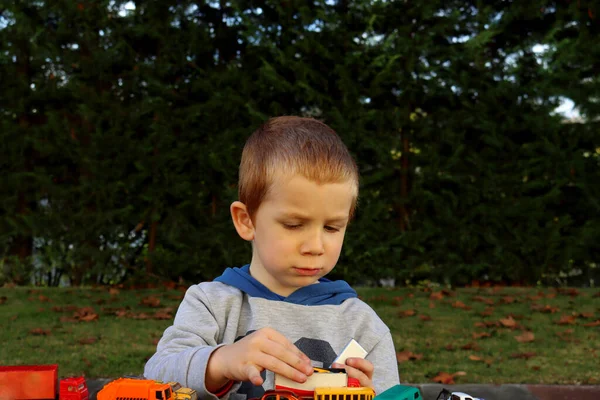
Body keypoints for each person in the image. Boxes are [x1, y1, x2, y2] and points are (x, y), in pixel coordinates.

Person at [144, 116, 400, 399]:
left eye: (331, 227)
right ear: (246, 221)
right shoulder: (212, 305)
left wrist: (370, 392)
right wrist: (221, 361)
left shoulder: (363, 326)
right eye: (293, 225)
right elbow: (156, 374)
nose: (315, 246)